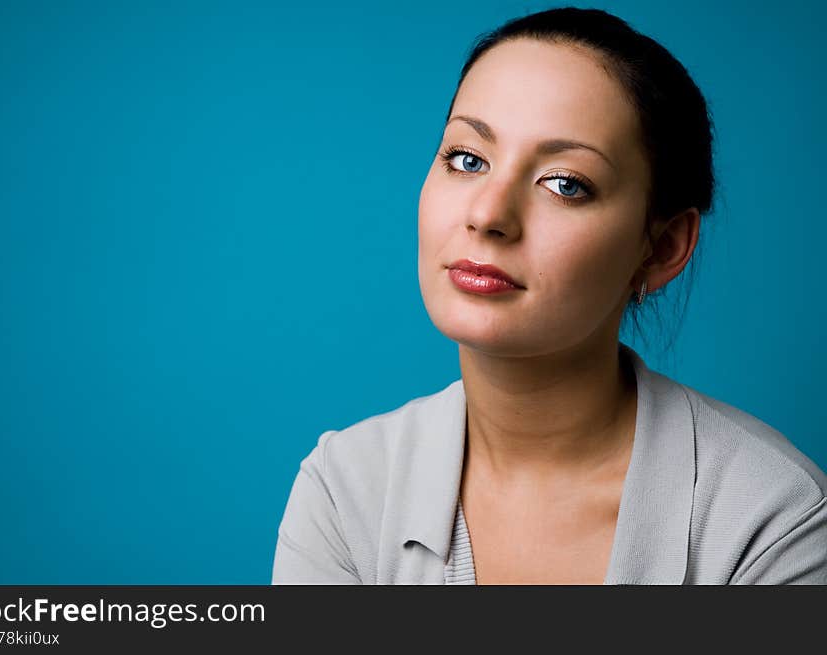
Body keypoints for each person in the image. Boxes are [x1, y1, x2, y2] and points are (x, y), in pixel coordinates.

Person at [271, 6, 827, 584]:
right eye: (467, 159)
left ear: (660, 248)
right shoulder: (345, 490)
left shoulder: (773, 521)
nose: (488, 214)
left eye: (565, 184)